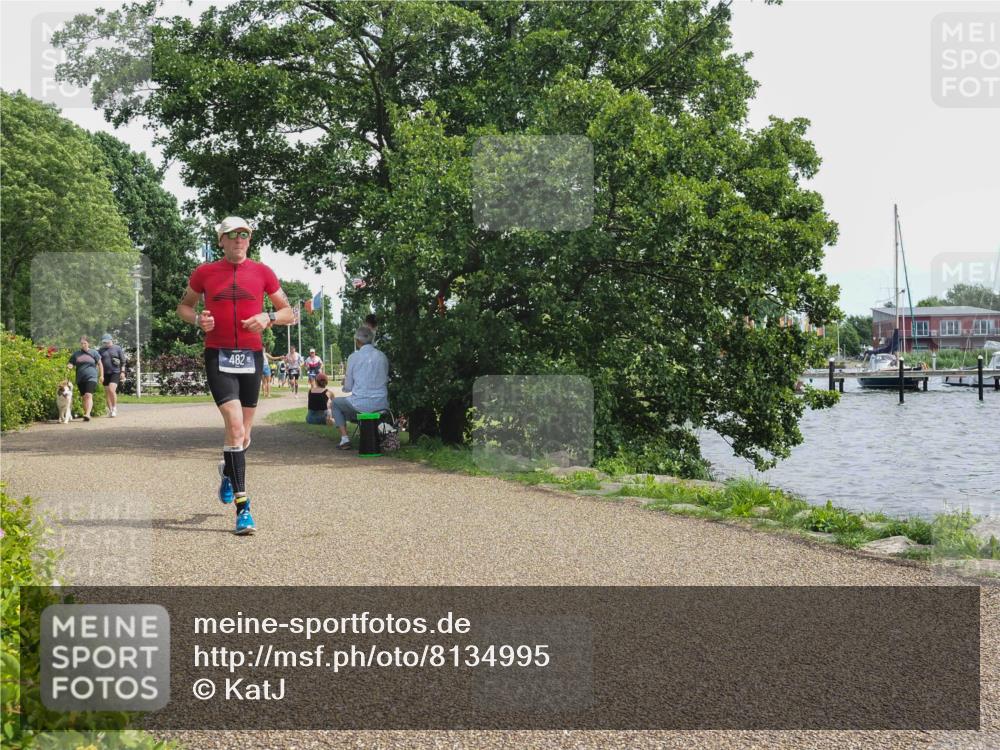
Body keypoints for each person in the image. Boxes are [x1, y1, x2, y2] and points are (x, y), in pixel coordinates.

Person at [176, 216, 294, 535]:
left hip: (252, 358)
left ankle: (229, 471)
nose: (239, 239)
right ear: (221, 240)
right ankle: (244, 509)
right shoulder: (205, 272)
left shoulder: (263, 273)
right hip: (219, 355)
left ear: (249, 240)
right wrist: (197, 321)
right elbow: (184, 307)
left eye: (245, 234)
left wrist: (268, 316)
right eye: (233, 235)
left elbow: (289, 313)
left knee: (244, 437)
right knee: (235, 425)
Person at [331, 326, 389, 450]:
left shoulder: (353, 357)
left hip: (360, 404)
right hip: (382, 403)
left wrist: (345, 383)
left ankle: (345, 439)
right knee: (354, 405)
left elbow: (348, 387)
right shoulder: (382, 356)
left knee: (335, 404)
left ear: (357, 341)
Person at [67, 336, 104, 422]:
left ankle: (87, 414)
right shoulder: (76, 354)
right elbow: (71, 363)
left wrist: (101, 375)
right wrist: (70, 365)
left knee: (88, 395)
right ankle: (85, 413)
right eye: (81, 343)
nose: (83, 345)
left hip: (92, 377)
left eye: (85, 343)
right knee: (84, 397)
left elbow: (100, 364)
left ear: (88, 343)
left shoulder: (94, 353)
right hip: (80, 378)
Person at [98, 333, 127, 417]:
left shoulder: (117, 348)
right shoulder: (101, 350)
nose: (106, 344)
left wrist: (122, 372)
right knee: (107, 392)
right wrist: (100, 374)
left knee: (111, 390)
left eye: (107, 342)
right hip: (105, 373)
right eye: (104, 342)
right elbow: (99, 362)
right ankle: (110, 410)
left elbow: (123, 361)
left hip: (115, 372)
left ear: (111, 340)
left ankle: (114, 408)